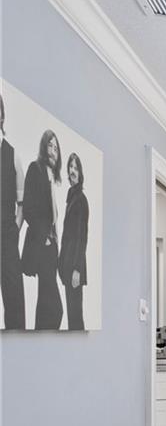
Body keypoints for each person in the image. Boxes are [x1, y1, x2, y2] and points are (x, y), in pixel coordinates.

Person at [22, 129, 63, 329]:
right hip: (41, 245)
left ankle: (40, 341)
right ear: (43, 146)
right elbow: (28, 208)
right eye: (50, 145)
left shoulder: (52, 179)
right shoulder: (35, 169)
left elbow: (53, 217)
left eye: (56, 148)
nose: (53, 151)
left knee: (45, 301)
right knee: (56, 308)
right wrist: (45, 237)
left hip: (52, 246)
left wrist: (54, 241)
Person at [0, 92, 26, 329]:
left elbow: (22, 203)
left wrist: (14, 230)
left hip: (6, 234)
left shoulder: (12, 154)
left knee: (14, 300)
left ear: (2, 116)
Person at [59, 153, 88, 330]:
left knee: (75, 317)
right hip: (67, 264)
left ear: (80, 172)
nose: (72, 171)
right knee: (72, 315)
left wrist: (77, 269)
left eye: (76, 167)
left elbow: (82, 237)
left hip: (75, 267)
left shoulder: (81, 200)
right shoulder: (71, 197)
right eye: (70, 167)